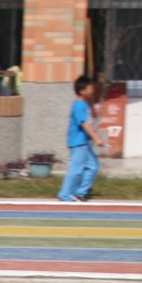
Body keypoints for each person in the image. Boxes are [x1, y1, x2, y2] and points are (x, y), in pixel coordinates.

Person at [58, 74, 99, 203]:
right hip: (78, 142)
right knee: (76, 170)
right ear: (82, 90)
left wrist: (92, 104)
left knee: (93, 166)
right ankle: (65, 195)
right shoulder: (78, 105)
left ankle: (80, 193)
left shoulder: (86, 104)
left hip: (84, 141)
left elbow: (93, 118)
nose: (93, 90)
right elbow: (84, 123)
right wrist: (97, 138)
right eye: (91, 88)